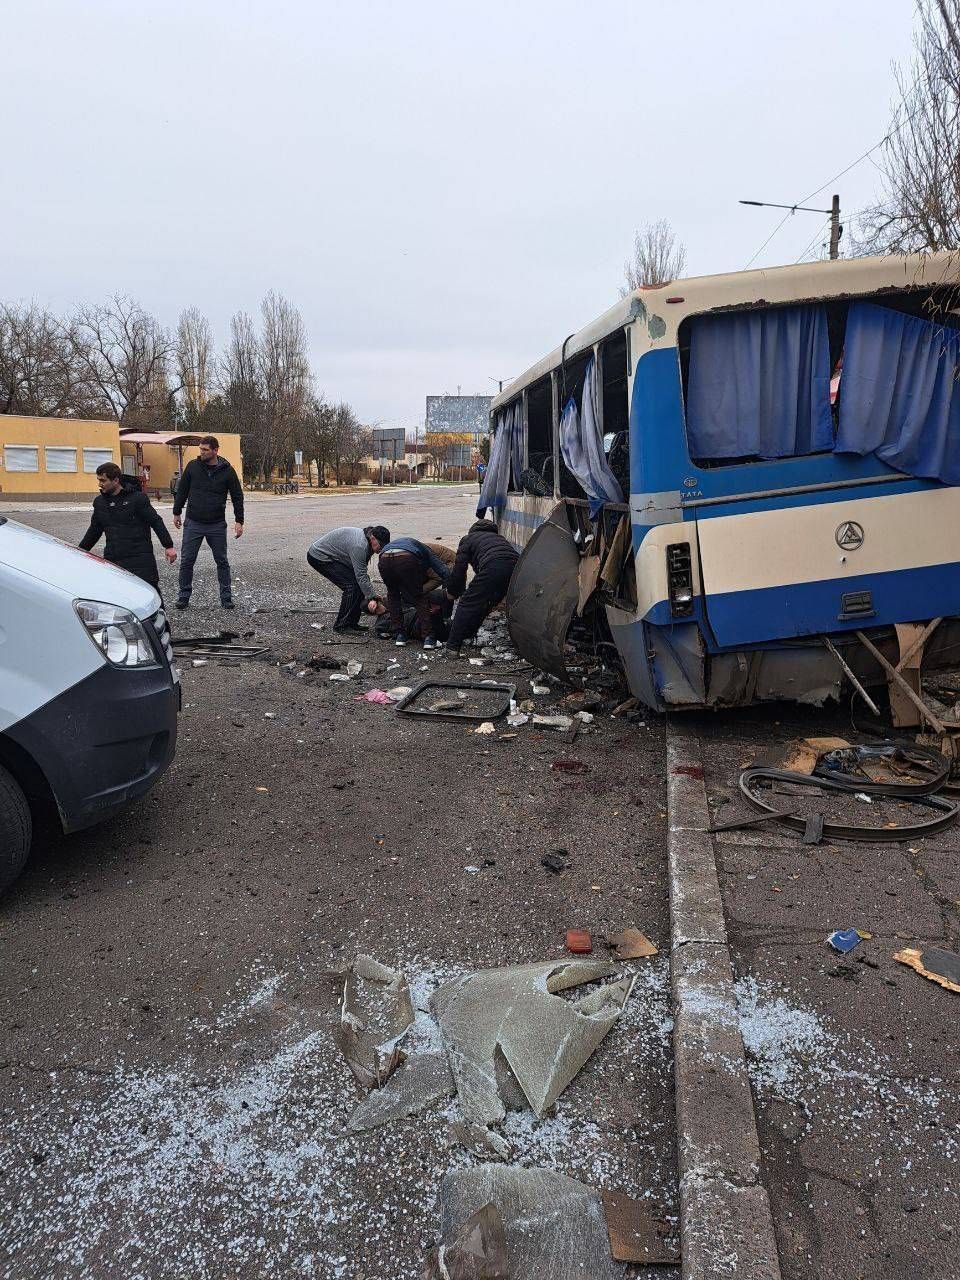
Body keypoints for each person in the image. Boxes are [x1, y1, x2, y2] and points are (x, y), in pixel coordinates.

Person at [171, 435, 244, 610]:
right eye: (200, 449)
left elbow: (237, 496)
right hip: (193, 523)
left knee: (222, 562)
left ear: (215, 450)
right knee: (187, 561)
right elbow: (182, 490)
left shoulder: (227, 470)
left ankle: (226, 598)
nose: (201, 453)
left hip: (216, 525)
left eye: (205, 450)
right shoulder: (193, 467)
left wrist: (239, 520)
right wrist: (177, 511)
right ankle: (183, 597)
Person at [79, 463, 177, 589]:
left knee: (150, 594)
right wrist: (80, 551)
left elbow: (156, 521)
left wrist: (168, 546)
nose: (99, 484)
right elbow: (94, 530)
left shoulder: (137, 498)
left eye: (103, 480)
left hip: (140, 559)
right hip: (113, 558)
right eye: (98, 480)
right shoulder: (100, 503)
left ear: (116, 480)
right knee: (118, 599)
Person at [445, 518, 519, 655]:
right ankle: (469, 634)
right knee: (486, 603)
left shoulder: (468, 539)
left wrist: (454, 591)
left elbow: (459, 570)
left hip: (494, 567)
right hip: (518, 569)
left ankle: (452, 647)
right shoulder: (499, 539)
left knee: (467, 603)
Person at [306, 525, 390, 632]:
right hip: (319, 556)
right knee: (351, 586)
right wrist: (372, 597)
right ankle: (342, 626)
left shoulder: (367, 539)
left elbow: (361, 573)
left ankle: (352, 624)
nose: (381, 549)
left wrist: (370, 594)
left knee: (357, 586)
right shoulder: (360, 546)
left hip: (335, 556)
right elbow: (361, 575)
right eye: (380, 545)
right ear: (373, 538)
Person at [376, 537, 451, 649]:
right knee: (419, 596)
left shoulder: (411, 545)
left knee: (393, 595)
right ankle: (428, 638)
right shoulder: (427, 550)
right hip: (406, 559)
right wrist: (453, 587)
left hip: (384, 558)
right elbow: (442, 570)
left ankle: (400, 635)